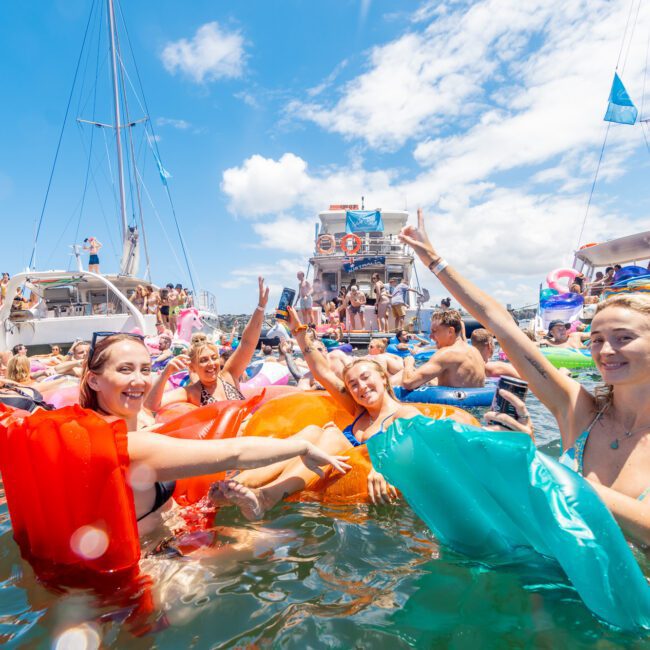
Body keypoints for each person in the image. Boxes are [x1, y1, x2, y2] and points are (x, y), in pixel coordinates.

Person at [399, 207, 650, 545]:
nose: (605, 351)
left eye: (623, 338)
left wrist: (544, 467)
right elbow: (500, 323)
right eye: (597, 340)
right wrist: (432, 259)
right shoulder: (581, 412)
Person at [77, 332, 350, 539]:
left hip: (181, 528)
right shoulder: (130, 443)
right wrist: (301, 447)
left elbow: (245, 346)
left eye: (145, 369)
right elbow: (234, 452)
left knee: (322, 433)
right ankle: (266, 497)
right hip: (164, 563)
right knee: (280, 542)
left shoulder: (102, 432)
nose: (139, 379)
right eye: (125, 369)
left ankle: (261, 496)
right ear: (94, 380)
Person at [213, 305, 421, 519]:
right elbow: (321, 372)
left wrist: (386, 468)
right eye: (353, 384)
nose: (361, 387)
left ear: (383, 377)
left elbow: (422, 450)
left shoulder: (404, 414)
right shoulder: (360, 410)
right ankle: (237, 484)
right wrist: (298, 331)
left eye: (366, 378)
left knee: (332, 435)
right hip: (325, 473)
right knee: (313, 431)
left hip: (360, 494)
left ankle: (266, 496)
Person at [147, 278, 269, 409]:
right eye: (204, 360)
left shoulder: (229, 375)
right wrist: (166, 373)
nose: (211, 363)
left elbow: (247, 343)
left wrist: (261, 307)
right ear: (193, 367)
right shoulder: (191, 392)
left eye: (214, 358)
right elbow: (152, 405)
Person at [401, 309, 485, 389]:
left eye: (434, 331)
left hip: (450, 404)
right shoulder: (474, 351)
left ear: (450, 332)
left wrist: (408, 363)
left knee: (401, 373)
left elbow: (408, 383)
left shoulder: (446, 353)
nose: (430, 336)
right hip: (472, 401)